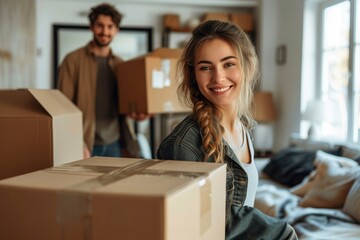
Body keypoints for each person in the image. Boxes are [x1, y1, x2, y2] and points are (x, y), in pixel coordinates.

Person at [156, 20, 298, 240]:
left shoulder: (244, 128)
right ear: (194, 75)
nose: (218, 78)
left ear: (247, 67)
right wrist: (279, 232)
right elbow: (188, 229)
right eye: (205, 67)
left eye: (228, 64)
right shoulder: (183, 145)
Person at [57, 3, 146, 158]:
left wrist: (136, 113)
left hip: (115, 143)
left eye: (110, 26)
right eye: (100, 25)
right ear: (91, 27)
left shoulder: (121, 65)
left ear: (116, 30)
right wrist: (78, 143)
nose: (105, 31)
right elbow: (63, 106)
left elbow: (124, 104)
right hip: (86, 144)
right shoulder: (72, 60)